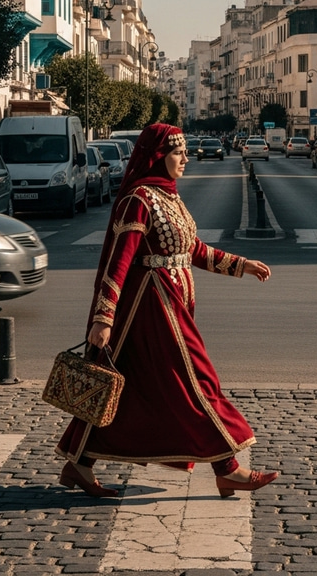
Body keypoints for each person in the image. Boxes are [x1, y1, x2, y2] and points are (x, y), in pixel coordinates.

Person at [56, 123, 278, 499]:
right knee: (198, 382)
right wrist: (103, 317)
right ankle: (228, 469)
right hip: (152, 309)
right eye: (178, 153)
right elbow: (118, 262)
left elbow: (193, 250)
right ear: (158, 156)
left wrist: (242, 265)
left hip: (173, 308)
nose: (185, 158)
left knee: (127, 392)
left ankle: (79, 463)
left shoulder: (170, 198)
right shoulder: (139, 200)